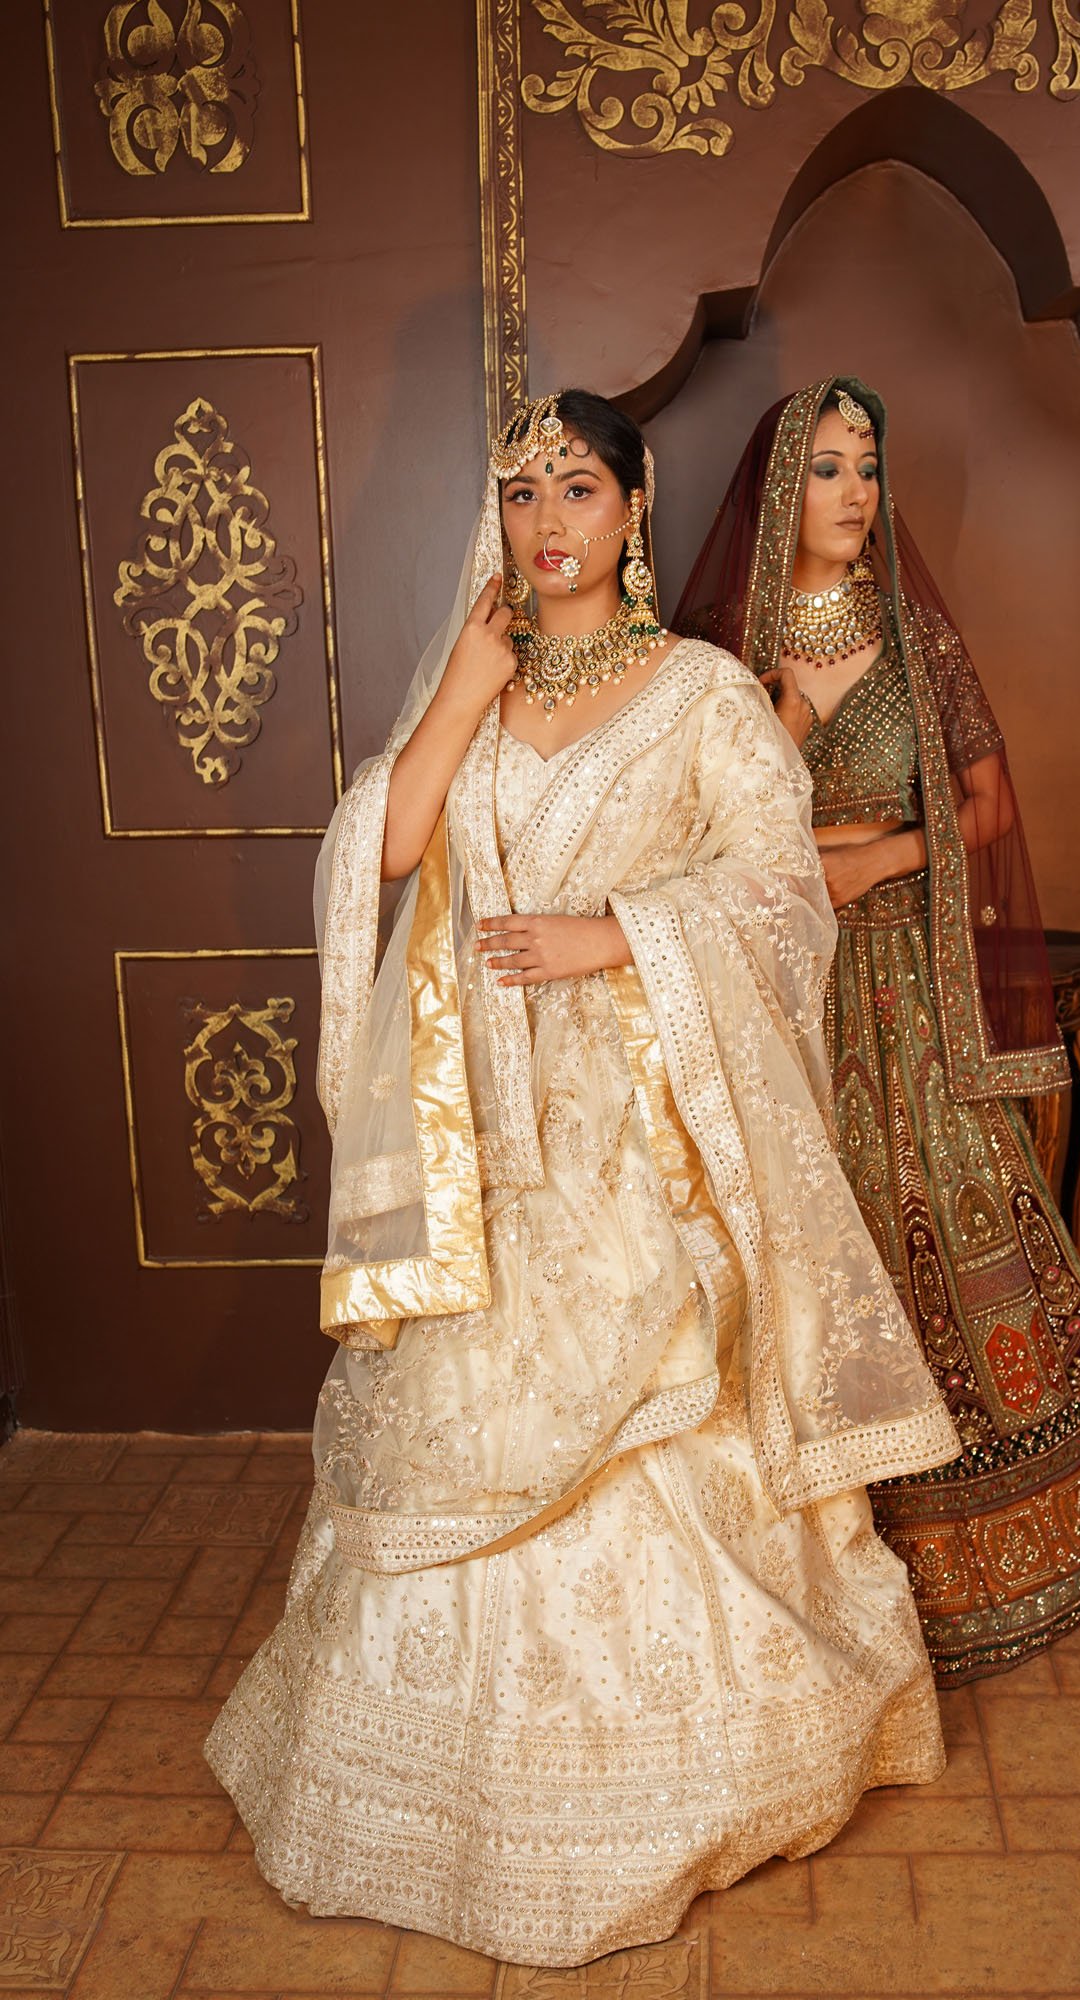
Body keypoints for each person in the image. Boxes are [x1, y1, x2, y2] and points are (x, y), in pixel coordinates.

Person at [205, 389, 961, 1966]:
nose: (547, 521)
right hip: (477, 1125)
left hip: (636, 1124)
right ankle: (419, 1784)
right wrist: (461, 690)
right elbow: (382, 855)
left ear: (633, 507)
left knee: (647, 1396)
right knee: (447, 1408)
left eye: (577, 489)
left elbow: (778, 891)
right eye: (522, 491)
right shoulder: (475, 678)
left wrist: (614, 935)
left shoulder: (699, 693)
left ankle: (686, 1763)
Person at [676, 377, 1080, 1686]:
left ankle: (992, 1537)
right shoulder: (715, 648)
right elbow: (683, 821)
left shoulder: (916, 635)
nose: (856, 492)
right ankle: (796, 1562)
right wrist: (789, 744)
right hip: (771, 973)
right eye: (829, 468)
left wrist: (871, 861)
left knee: (931, 1203)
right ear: (780, 489)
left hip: (900, 975)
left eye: (869, 466)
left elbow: (988, 807)